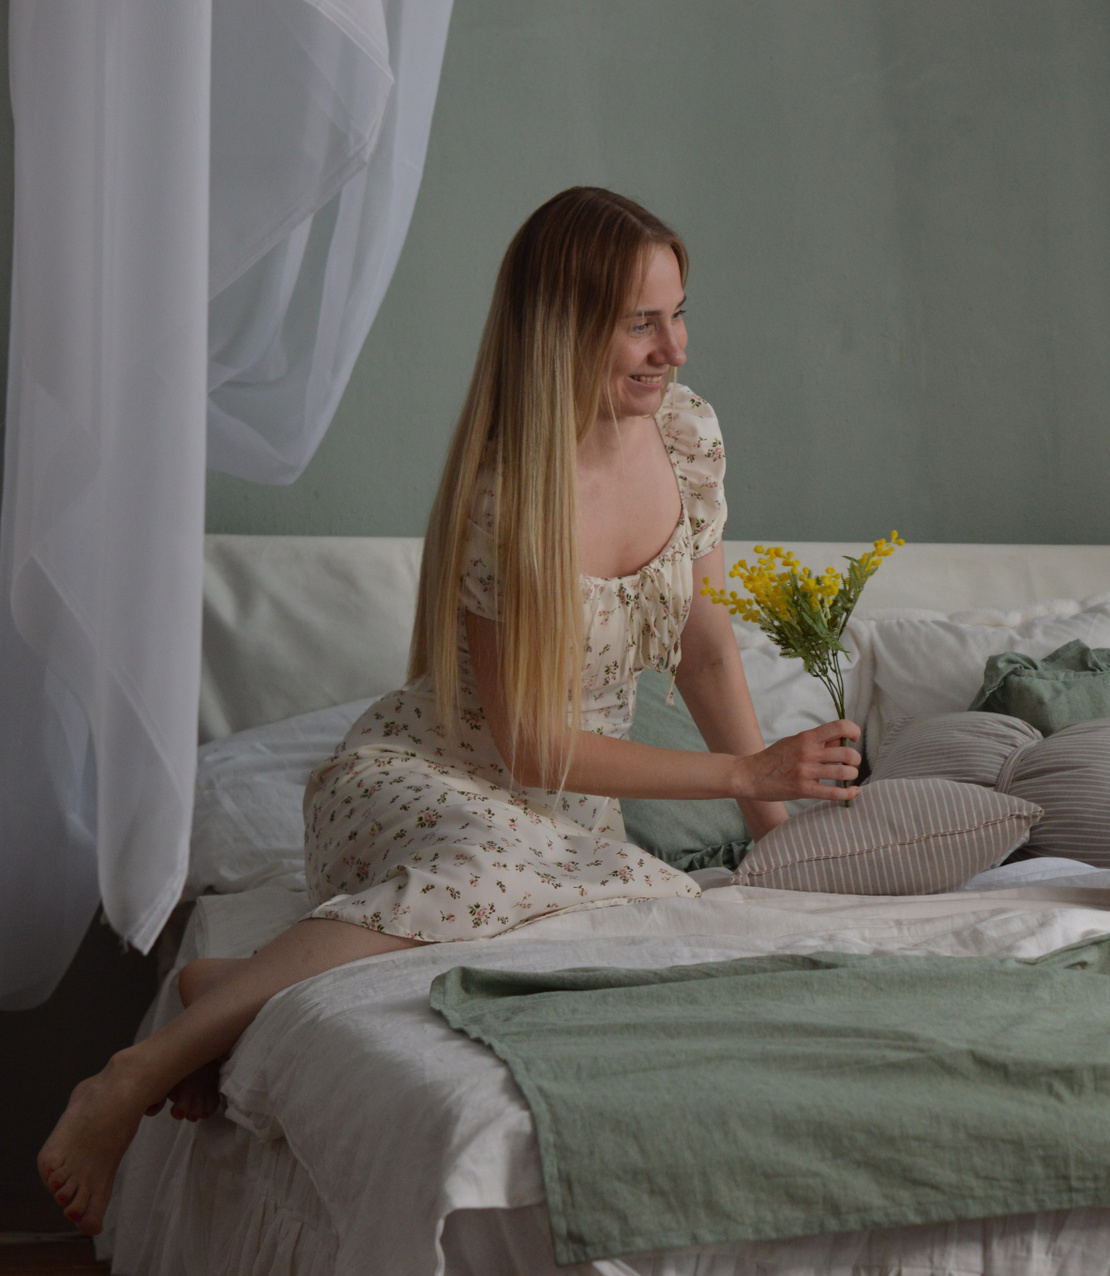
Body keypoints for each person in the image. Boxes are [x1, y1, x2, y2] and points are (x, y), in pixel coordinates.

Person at [38, 187, 862, 1235]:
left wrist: (775, 840)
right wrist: (746, 772)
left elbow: (704, 654)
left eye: (679, 313)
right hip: (428, 779)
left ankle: (239, 984)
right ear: (566, 327)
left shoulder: (689, 438)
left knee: (631, 904)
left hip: (566, 824)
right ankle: (132, 1072)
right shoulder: (506, 496)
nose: (676, 348)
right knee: (489, 867)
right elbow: (530, 746)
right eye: (642, 324)